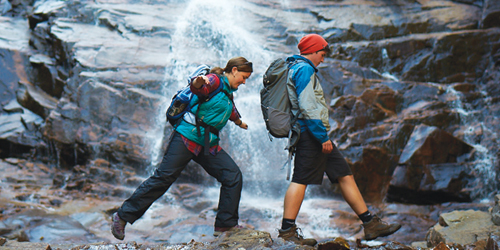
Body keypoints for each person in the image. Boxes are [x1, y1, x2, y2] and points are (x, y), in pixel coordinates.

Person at [276, 34, 401, 246]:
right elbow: (307, 106)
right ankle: (287, 231)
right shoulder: (304, 68)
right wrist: (321, 136)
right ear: (313, 51)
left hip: (312, 133)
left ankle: (370, 224)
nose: (323, 59)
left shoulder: (294, 67)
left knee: (344, 174)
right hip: (311, 134)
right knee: (301, 179)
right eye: (322, 54)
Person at [111, 57, 253, 240]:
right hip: (187, 136)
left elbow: (229, 108)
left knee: (232, 175)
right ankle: (122, 216)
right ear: (234, 70)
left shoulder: (227, 91)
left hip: (206, 142)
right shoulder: (215, 80)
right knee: (164, 177)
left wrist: (239, 121)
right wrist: (198, 82)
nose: (244, 81)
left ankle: (226, 225)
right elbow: (200, 88)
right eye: (243, 76)